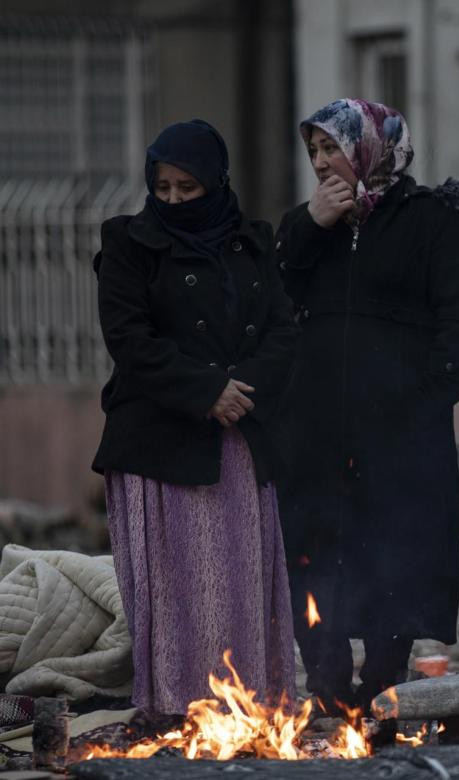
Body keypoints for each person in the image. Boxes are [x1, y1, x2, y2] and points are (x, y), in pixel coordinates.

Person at [275, 99, 459, 713]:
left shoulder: (429, 220)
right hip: (314, 432)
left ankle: (384, 679)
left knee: (396, 553)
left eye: (330, 147)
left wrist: (428, 398)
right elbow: (269, 299)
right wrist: (310, 227)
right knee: (314, 551)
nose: (319, 162)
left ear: (370, 147)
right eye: (312, 150)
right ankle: (327, 674)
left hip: (399, 434)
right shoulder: (306, 225)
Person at [92, 119, 298, 716]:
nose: (175, 200)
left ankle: (247, 709)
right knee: (178, 589)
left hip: (238, 438)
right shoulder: (129, 245)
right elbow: (128, 337)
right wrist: (206, 390)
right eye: (163, 188)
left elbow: (283, 330)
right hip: (162, 444)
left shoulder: (252, 242)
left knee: (237, 584)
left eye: (189, 188)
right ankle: (180, 711)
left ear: (216, 182)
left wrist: (242, 392)